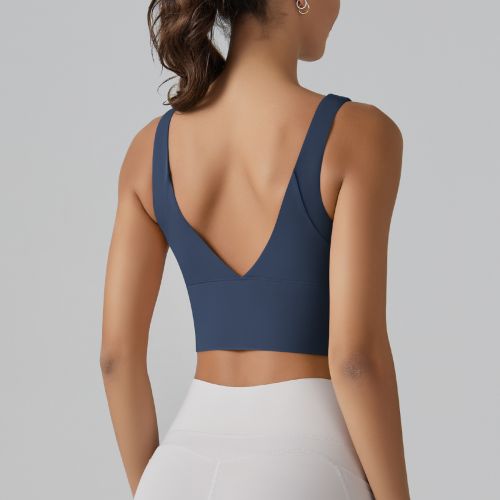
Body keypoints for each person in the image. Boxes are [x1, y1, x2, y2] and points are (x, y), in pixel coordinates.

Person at [100, 0, 410, 498]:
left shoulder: (148, 148)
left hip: (178, 466)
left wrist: (154, 487)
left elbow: (116, 359)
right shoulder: (359, 133)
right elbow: (355, 360)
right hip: (306, 464)